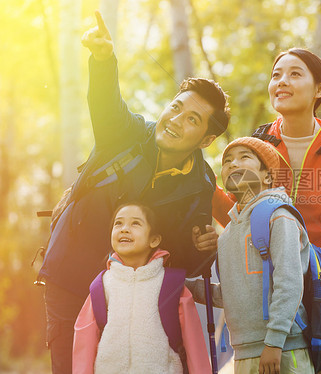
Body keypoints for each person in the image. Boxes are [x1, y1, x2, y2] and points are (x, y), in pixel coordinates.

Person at [37, 11, 229, 373]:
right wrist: (103, 59)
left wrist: (207, 247)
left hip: (136, 300)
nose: (175, 120)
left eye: (192, 119)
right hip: (72, 276)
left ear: (206, 139)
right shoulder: (125, 134)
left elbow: (183, 259)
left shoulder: (199, 184)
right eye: (176, 107)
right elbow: (107, 105)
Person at [215, 48, 321, 373]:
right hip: (275, 291)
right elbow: (239, 212)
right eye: (276, 75)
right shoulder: (258, 146)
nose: (282, 82)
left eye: (294, 74)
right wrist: (203, 187)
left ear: (320, 89)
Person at [189, 137, 315, 374]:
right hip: (243, 352)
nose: (233, 164)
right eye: (227, 160)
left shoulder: (279, 216)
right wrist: (181, 286)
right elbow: (231, 294)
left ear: (267, 176)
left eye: (244, 157)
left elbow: (289, 283)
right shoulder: (227, 235)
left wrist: (274, 342)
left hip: (282, 349)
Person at [72, 202, 211, 374]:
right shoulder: (101, 286)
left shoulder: (171, 285)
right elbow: (84, 344)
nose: (124, 229)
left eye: (135, 223)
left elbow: (194, 343)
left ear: (154, 240)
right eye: (118, 223)